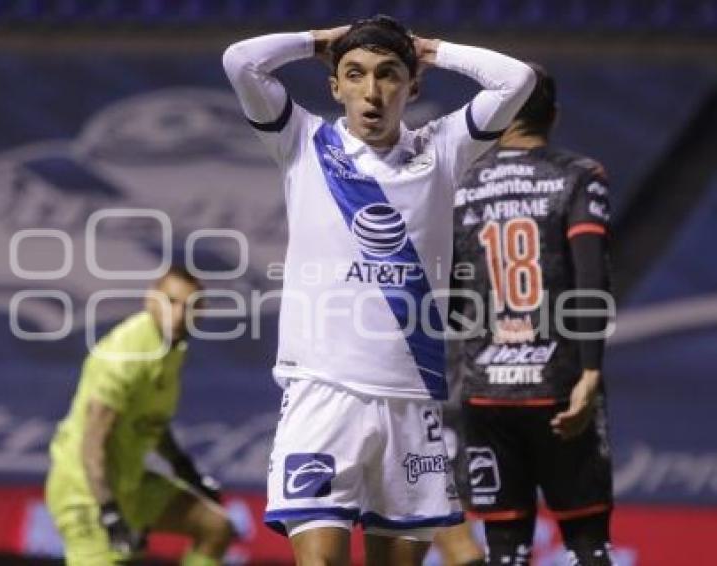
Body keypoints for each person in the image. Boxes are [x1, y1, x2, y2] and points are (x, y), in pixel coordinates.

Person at [223, 15, 535, 566]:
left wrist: (432, 49)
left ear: (413, 86)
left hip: (411, 401)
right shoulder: (303, 141)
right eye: (355, 73)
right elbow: (240, 60)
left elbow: (517, 81)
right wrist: (321, 40)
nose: (372, 92)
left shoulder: (442, 148)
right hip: (323, 394)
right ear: (334, 85)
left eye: (389, 74)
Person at [449, 65, 615, 565]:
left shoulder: (460, 182)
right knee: (587, 544)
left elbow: (453, 297)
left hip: (484, 393)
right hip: (561, 388)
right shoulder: (580, 175)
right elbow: (591, 279)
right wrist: (589, 371)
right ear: (554, 116)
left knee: (506, 548)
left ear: (499, 118)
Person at [45, 267, 235, 566]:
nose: (179, 313)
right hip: (85, 492)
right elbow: (92, 445)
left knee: (216, 527)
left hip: (130, 483)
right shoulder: (125, 356)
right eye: (170, 302)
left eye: (190, 306)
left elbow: (152, 422)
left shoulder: (171, 348)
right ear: (150, 300)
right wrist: (108, 511)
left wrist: (186, 471)